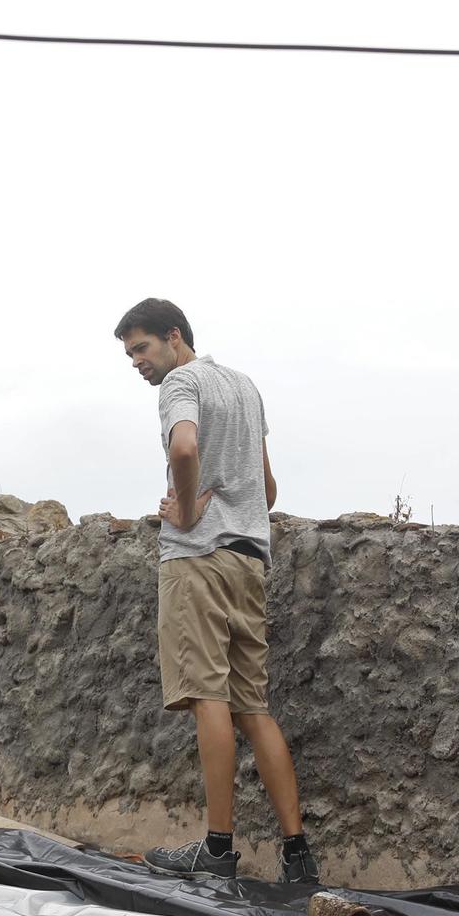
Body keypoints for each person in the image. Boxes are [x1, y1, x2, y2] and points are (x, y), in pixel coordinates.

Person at [115, 297, 319, 885]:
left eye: (141, 348)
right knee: (253, 706)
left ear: (173, 337)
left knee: (209, 697)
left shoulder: (182, 382)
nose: (137, 363)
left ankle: (219, 849)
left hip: (199, 559)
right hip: (250, 557)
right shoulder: (245, 387)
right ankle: (297, 854)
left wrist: (181, 507)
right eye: (130, 354)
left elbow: (183, 448)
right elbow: (268, 488)